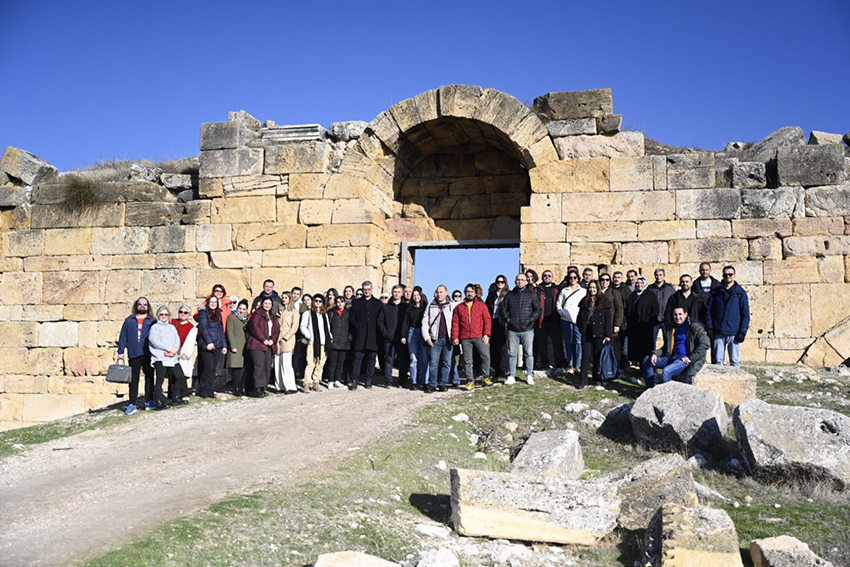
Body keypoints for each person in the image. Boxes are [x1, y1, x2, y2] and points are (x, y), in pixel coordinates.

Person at [642, 306, 710, 387]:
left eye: (680, 314)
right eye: (675, 314)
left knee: (667, 371)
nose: (678, 317)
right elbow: (666, 347)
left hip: (683, 361)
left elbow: (705, 343)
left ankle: (668, 394)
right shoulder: (672, 327)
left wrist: (691, 358)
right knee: (647, 360)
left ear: (685, 314)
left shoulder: (694, 327)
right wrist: (655, 353)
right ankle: (650, 390)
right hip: (672, 358)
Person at [499, 273, 542, 385]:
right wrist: (508, 320)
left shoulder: (532, 295)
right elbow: (503, 309)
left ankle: (529, 375)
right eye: (518, 280)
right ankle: (512, 375)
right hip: (513, 329)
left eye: (522, 280)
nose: (520, 282)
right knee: (512, 353)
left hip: (527, 328)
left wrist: (531, 319)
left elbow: (538, 309)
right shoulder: (509, 295)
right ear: (515, 281)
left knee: (529, 353)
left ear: (526, 282)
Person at [116, 297, 155, 415]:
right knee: (133, 379)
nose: (142, 306)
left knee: (149, 377)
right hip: (134, 353)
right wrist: (121, 351)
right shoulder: (129, 321)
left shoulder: (152, 321)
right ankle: (132, 404)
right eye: (140, 304)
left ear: (148, 306)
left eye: (145, 304)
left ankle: (149, 401)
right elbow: (123, 336)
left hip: (148, 353)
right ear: (136, 306)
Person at [706, 266, 750, 368]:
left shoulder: (740, 293)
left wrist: (742, 331)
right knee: (718, 362)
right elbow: (708, 310)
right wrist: (709, 327)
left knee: (734, 361)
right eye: (725, 275)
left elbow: (745, 314)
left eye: (730, 274)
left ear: (734, 276)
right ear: (722, 276)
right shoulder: (715, 292)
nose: (728, 276)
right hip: (718, 330)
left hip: (733, 332)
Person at [452, 283, 492, 390]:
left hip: (479, 336)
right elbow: (455, 323)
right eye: (467, 292)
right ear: (465, 293)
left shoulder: (481, 305)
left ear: (475, 293)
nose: (469, 294)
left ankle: (485, 377)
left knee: (485, 356)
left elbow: (487, 321)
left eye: (471, 292)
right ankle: (470, 380)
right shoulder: (459, 307)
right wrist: (455, 337)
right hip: (465, 337)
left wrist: (487, 334)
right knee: (467, 360)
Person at [577, 281, 613, 389]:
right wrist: (581, 327)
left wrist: (608, 334)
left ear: (597, 288)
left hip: (599, 331)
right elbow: (580, 316)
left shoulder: (604, 301)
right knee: (585, 356)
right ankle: (583, 380)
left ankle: (597, 378)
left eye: (594, 288)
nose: (592, 290)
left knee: (597, 356)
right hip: (586, 331)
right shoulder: (584, 301)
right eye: (590, 287)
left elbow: (608, 319)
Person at [148, 306, 185, 410]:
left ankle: (175, 397)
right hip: (160, 356)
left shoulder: (172, 327)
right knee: (160, 379)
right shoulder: (155, 327)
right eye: (161, 314)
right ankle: (158, 401)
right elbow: (155, 341)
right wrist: (168, 348)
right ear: (158, 315)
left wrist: (174, 350)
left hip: (172, 357)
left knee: (179, 376)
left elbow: (177, 339)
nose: (164, 316)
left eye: (166, 314)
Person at [422, 285, 457, 392]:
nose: (439, 294)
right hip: (434, 339)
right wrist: (427, 337)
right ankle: (433, 384)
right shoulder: (430, 306)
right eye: (437, 292)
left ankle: (443, 384)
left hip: (448, 339)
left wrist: (455, 336)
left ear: (446, 293)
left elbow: (456, 322)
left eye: (441, 292)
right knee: (433, 363)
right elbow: (425, 322)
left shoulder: (452, 306)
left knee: (447, 363)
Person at [349, 280, 382, 390]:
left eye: (368, 289)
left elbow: (380, 319)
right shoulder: (356, 302)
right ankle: (354, 379)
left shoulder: (378, 303)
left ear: (372, 289)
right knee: (357, 358)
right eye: (365, 289)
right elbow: (352, 317)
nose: (366, 291)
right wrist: (357, 326)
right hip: (360, 335)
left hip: (373, 336)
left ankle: (368, 380)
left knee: (371, 359)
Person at [534, 269, 567, 371]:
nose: (547, 277)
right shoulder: (537, 290)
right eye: (545, 275)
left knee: (557, 344)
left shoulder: (557, 289)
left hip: (555, 320)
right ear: (542, 277)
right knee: (542, 344)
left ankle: (560, 364)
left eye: (549, 276)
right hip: (541, 321)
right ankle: (544, 363)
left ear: (552, 278)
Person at [247, 297, 280, 397]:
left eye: (269, 304)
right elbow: (254, 327)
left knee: (267, 366)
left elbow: (276, 330)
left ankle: (263, 387)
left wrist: (273, 340)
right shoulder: (257, 314)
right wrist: (263, 339)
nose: (267, 305)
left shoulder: (273, 316)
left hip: (269, 343)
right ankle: (257, 388)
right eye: (265, 303)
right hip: (257, 343)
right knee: (259, 366)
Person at [196, 294, 228, 399]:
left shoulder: (218, 313)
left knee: (213, 369)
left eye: (215, 302)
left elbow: (221, 331)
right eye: (211, 302)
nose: (213, 304)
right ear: (208, 303)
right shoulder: (203, 313)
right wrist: (209, 342)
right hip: (207, 345)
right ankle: (203, 390)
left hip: (217, 345)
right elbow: (204, 328)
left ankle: (210, 389)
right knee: (208, 368)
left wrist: (224, 345)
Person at [377, 285, 408, 387]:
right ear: (392, 293)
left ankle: (402, 380)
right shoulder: (386, 307)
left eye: (398, 292)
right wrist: (385, 333)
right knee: (388, 359)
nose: (396, 294)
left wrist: (405, 335)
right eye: (395, 292)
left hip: (401, 338)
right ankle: (388, 380)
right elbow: (380, 321)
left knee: (402, 360)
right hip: (389, 338)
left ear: (402, 294)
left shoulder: (405, 307)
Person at [625, 277, 660, 366]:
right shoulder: (632, 295)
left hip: (646, 326)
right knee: (636, 347)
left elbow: (655, 310)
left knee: (646, 347)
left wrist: (649, 321)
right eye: (637, 283)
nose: (639, 285)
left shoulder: (650, 295)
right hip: (634, 326)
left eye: (641, 283)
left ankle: (646, 366)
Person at [557, 270, 586, 373]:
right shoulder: (564, 291)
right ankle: (570, 365)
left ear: (578, 279)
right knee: (568, 342)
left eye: (574, 277)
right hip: (566, 319)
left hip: (578, 320)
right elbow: (558, 304)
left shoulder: (583, 291)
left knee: (578, 342)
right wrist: (562, 313)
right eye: (571, 278)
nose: (573, 279)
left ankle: (578, 365)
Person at [300, 294, 330, 392]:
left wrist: (330, 338)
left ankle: (316, 381)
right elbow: (303, 326)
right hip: (313, 342)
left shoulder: (324, 315)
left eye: (320, 301)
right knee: (310, 362)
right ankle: (307, 382)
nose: (318, 302)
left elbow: (327, 328)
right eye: (316, 300)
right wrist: (309, 336)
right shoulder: (308, 313)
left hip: (323, 342)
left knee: (320, 363)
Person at [401, 288, 427, 389]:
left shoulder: (425, 308)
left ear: (421, 296)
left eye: (417, 295)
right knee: (413, 358)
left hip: (423, 332)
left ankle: (425, 381)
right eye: (414, 295)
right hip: (412, 332)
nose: (416, 297)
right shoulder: (409, 308)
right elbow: (405, 322)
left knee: (424, 359)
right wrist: (403, 336)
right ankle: (414, 381)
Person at [485, 275, 510, 379]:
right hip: (493, 321)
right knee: (494, 346)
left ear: (505, 283)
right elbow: (487, 309)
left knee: (503, 346)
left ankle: (505, 368)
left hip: (503, 322)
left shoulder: (508, 294)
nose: (500, 284)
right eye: (498, 282)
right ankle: (495, 369)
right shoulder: (491, 295)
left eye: (502, 282)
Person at [599, 273, 624, 372]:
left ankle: (614, 367)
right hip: (599, 324)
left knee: (613, 347)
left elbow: (619, 309)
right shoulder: (597, 292)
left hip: (611, 323)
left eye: (607, 280)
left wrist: (617, 324)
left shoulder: (614, 293)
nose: (604, 282)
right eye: (602, 280)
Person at [171, 304, 196, 403]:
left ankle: (182, 394)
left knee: (181, 374)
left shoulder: (191, 327)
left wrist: (186, 354)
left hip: (183, 352)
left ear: (189, 314)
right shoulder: (173, 322)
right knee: (172, 375)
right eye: (181, 312)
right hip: (173, 351)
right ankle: (172, 395)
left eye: (185, 312)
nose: (183, 314)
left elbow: (191, 342)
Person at [646, 268, 676, 350]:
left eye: (660, 275)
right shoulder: (650, 289)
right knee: (651, 341)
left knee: (668, 340)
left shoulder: (670, 289)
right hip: (653, 319)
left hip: (667, 319)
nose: (658, 277)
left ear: (664, 276)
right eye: (657, 275)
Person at [276, 292, 300, 395]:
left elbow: (294, 327)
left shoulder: (294, 312)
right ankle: (280, 386)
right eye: (282, 297)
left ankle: (290, 386)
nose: (283, 299)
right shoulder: (280, 311)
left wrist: (286, 338)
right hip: (277, 340)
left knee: (286, 364)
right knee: (277, 363)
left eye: (286, 297)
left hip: (287, 340)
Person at [226, 299, 250, 397]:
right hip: (236, 345)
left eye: (244, 309)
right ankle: (235, 387)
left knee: (243, 368)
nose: (241, 311)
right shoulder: (232, 317)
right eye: (240, 308)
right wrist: (233, 345)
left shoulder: (247, 319)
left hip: (245, 345)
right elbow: (230, 331)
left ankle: (241, 386)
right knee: (236, 368)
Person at [327, 295, 351, 389]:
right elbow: (328, 326)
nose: (340, 304)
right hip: (333, 341)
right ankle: (330, 380)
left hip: (344, 341)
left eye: (342, 302)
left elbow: (351, 327)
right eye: (338, 302)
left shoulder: (348, 313)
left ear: (345, 303)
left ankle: (337, 380)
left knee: (340, 363)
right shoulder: (331, 313)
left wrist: (349, 337)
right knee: (332, 363)